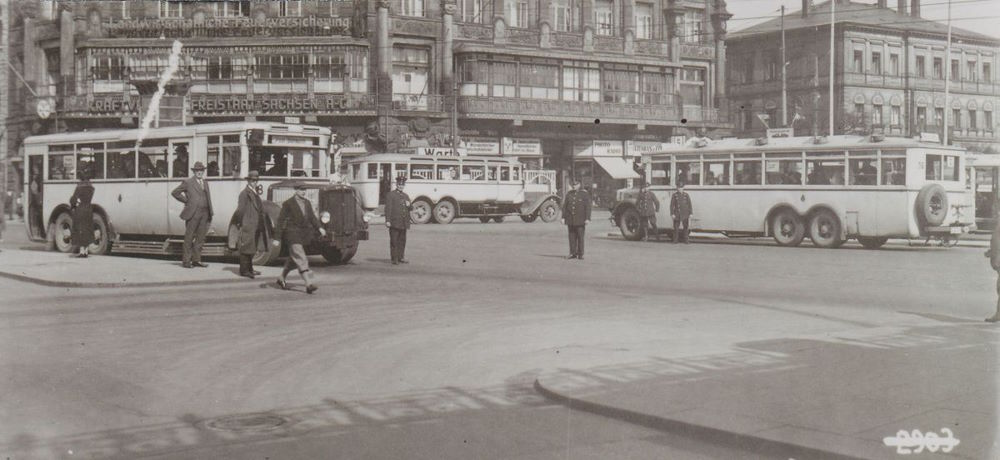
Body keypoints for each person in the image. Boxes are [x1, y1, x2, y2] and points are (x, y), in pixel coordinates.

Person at [273, 184, 325, 293]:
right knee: (301, 257)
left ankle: (281, 277)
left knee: (293, 259)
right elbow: (280, 221)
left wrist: (320, 228)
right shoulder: (288, 203)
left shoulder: (307, 203)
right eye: (301, 190)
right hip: (292, 234)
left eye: (304, 189)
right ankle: (308, 284)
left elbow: (312, 218)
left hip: (303, 235)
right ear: (295, 190)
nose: (303, 192)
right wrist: (277, 238)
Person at [171, 161, 213, 268]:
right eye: (197, 170)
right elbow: (175, 192)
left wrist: (210, 211)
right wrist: (187, 201)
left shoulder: (205, 182)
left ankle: (196, 260)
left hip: (205, 213)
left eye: (201, 170)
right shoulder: (188, 182)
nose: (199, 172)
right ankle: (186, 261)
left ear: (203, 171)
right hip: (193, 213)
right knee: (189, 237)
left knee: (200, 238)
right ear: (194, 171)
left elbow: (208, 198)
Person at [234, 171, 266, 279]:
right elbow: (240, 210)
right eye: (253, 180)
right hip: (248, 223)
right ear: (248, 181)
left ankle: (250, 269)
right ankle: (244, 270)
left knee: (252, 247)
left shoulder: (254, 192)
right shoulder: (244, 194)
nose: (255, 182)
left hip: (255, 224)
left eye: (256, 180)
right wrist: (241, 223)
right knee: (246, 247)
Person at [385, 176, 412, 265]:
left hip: (403, 222)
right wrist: (388, 220)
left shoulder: (406, 196)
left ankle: (401, 257)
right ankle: (394, 258)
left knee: (402, 240)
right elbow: (388, 208)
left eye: (402, 185)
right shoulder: (391, 195)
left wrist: (409, 205)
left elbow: (410, 208)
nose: (401, 186)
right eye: (399, 184)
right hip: (394, 221)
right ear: (396, 184)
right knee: (394, 240)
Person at [561, 179, 591, 259]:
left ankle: (580, 254)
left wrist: (587, 218)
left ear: (579, 185)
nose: (574, 186)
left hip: (580, 219)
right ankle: (572, 253)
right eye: (573, 185)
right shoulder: (569, 194)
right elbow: (565, 207)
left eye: (576, 184)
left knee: (580, 237)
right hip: (570, 219)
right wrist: (563, 217)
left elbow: (588, 207)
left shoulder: (584, 194)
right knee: (571, 237)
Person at [69, 175, 95, 258]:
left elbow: (73, 199)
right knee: (87, 229)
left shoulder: (79, 187)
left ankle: (82, 251)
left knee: (80, 229)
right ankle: (86, 251)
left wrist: (72, 203)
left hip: (80, 209)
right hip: (89, 209)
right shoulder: (91, 187)